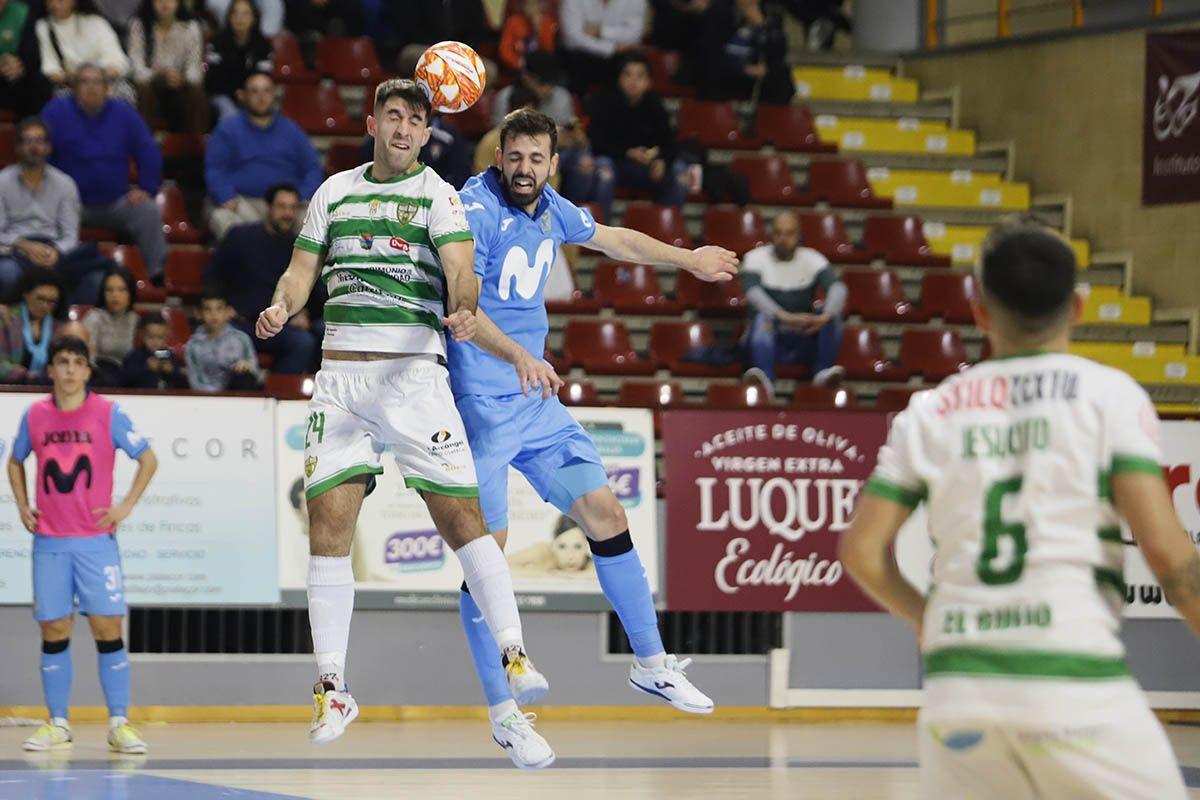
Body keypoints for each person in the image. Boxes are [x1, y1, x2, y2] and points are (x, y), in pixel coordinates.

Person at [840, 221, 1197, 800]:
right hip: (1072, 680)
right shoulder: (1109, 396)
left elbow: (860, 551)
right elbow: (1164, 549)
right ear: (1078, 307)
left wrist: (925, 616)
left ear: (981, 313)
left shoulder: (928, 412)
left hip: (960, 690)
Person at [254, 78, 549, 748]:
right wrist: (283, 303)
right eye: (395, 116)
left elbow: (461, 269)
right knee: (326, 525)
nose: (406, 128)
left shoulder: (438, 195)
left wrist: (466, 303)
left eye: (417, 119)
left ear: (425, 132)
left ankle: (514, 651)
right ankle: (333, 689)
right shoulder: (334, 191)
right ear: (373, 123)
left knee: (462, 520)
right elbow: (301, 270)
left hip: (414, 379)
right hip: (341, 379)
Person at [449, 108, 736, 769]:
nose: (523, 169)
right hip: (481, 408)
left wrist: (687, 259)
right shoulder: (473, 210)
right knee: (486, 559)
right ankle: (505, 716)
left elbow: (617, 240)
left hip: (536, 402)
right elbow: (463, 309)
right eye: (513, 157)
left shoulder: (553, 209)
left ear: (553, 163)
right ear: (498, 158)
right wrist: (516, 356)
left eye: (535, 159)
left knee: (605, 512)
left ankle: (651, 663)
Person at [7, 334, 158, 754]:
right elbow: (15, 460)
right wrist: (22, 505)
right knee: (54, 629)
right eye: (62, 362)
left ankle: (119, 724)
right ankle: (57, 723)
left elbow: (148, 458)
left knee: (107, 628)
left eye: (77, 362)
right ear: (51, 369)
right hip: (50, 544)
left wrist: (125, 505)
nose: (70, 370)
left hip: (96, 543)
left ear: (88, 371)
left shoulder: (107, 413)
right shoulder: (34, 416)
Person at [41, 64, 167, 282]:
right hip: (68, 204)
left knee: (148, 211)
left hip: (114, 202)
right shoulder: (56, 111)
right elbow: (39, 152)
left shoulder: (124, 113)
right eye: (85, 82)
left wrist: (147, 187)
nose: (92, 88)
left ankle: (156, 277)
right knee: (41, 214)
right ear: (74, 87)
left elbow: (148, 150)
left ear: (107, 88)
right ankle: (46, 278)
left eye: (97, 82)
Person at [204, 183, 322, 375]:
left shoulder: (300, 245)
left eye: (293, 208)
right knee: (226, 338)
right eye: (282, 207)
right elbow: (213, 276)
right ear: (268, 207)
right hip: (240, 323)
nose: (288, 214)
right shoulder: (240, 237)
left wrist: (304, 313)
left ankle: (279, 396)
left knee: (303, 342)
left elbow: (312, 289)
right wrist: (222, 308)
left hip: (280, 326)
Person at [0, 117, 109, 306]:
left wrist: (54, 252)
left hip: (54, 251)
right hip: (14, 251)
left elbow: (70, 235)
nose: (34, 147)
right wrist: (24, 246)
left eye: (39, 141)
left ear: (48, 147)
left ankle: (68, 328)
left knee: (96, 279)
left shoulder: (65, 184)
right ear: (17, 148)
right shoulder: (2, 181)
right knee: (7, 274)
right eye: (27, 141)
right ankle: (13, 328)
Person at [204, 70, 323, 241]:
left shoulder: (292, 131)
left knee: (315, 223)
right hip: (243, 203)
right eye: (254, 91)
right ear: (243, 96)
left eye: (266, 91)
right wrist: (226, 196)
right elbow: (214, 168)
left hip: (286, 205)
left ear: (273, 95)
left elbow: (312, 167)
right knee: (221, 218)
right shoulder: (227, 130)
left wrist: (303, 196)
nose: (261, 97)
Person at [742, 210, 845, 387]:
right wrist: (783, 316)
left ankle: (823, 373)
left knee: (832, 316)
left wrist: (825, 316)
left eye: (789, 233)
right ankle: (764, 378)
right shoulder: (755, 258)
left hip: (804, 333)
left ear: (799, 235)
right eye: (778, 233)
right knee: (762, 318)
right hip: (768, 334)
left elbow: (838, 288)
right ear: (771, 235)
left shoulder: (813, 258)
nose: (783, 238)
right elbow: (753, 294)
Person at [587, 52, 688, 208]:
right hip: (617, 164)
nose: (633, 81)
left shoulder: (655, 106)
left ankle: (666, 225)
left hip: (647, 167)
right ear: (619, 79)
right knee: (603, 168)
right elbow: (596, 143)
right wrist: (628, 153)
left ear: (648, 82)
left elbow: (670, 143)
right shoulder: (604, 102)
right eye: (628, 75)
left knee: (679, 171)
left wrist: (663, 160)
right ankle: (601, 228)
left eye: (640, 76)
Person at [126, 0, 208, 134]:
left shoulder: (191, 26)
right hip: (150, 81)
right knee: (143, 88)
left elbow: (195, 68)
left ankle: (196, 144)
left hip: (179, 81)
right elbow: (135, 66)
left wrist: (183, 78)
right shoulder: (138, 24)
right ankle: (145, 142)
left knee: (196, 91)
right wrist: (158, 75)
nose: (165, 3)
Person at [35, 0, 132, 99]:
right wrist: (80, 79)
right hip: (70, 86)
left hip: (105, 81)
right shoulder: (43, 27)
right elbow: (51, 69)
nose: (55, 4)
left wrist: (96, 78)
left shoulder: (96, 22)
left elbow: (118, 60)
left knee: (124, 92)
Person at [203, 0, 272, 123]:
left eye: (245, 14)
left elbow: (264, 76)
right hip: (222, 94)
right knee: (229, 113)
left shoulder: (263, 45)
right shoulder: (217, 42)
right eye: (235, 13)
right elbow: (213, 78)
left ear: (254, 18)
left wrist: (248, 93)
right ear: (229, 17)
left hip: (253, 94)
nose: (240, 18)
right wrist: (235, 92)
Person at [558, 0, 645, 93]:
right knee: (577, 59)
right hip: (581, 54)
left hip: (618, 55)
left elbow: (635, 34)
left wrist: (601, 31)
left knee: (632, 59)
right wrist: (612, 48)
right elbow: (573, 37)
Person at [185, 289, 262, 391]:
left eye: (219, 308)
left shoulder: (241, 339)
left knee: (244, 376)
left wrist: (247, 367)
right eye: (208, 309)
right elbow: (196, 383)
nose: (214, 314)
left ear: (228, 311)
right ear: (199, 313)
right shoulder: (192, 346)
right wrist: (222, 397)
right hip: (208, 400)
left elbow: (255, 371)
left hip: (239, 395)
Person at [0, 268, 64, 384]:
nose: (45, 306)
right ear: (26, 294)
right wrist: (27, 376)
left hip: (48, 390)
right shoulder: (6, 318)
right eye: (40, 299)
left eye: (51, 302)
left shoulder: (59, 328)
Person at [82, 270, 138, 386]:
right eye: (109, 290)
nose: (115, 295)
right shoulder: (94, 318)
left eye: (121, 290)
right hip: (98, 374)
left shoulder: (135, 320)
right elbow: (87, 359)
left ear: (130, 293)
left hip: (126, 374)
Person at [0, 0, 52, 118]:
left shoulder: (22, 11)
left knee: (40, 84)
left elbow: (31, 50)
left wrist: (18, 66)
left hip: (13, 72)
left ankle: (32, 130)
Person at [121, 313, 185, 388]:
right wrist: (146, 368)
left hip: (165, 397)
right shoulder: (135, 355)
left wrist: (171, 371)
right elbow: (126, 380)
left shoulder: (168, 354)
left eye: (160, 337)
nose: (155, 342)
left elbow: (181, 381)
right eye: (151, 337)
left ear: (166, 336)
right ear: (141, 334)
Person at [498, 0, 556, 73]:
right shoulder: (513, 22)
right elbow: (504, 51)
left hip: (541, 70)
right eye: (528, 4)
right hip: (519, 69)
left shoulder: (547, 22)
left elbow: (548, 51)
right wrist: (519, 63)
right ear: (522, 6)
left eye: (534, 4)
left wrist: (538, 29)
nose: (532, 8)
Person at [203, 0, 282, 37]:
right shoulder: (216, 2)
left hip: (257, 43)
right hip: (226, 40)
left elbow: (269, 36)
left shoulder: (273, 4)